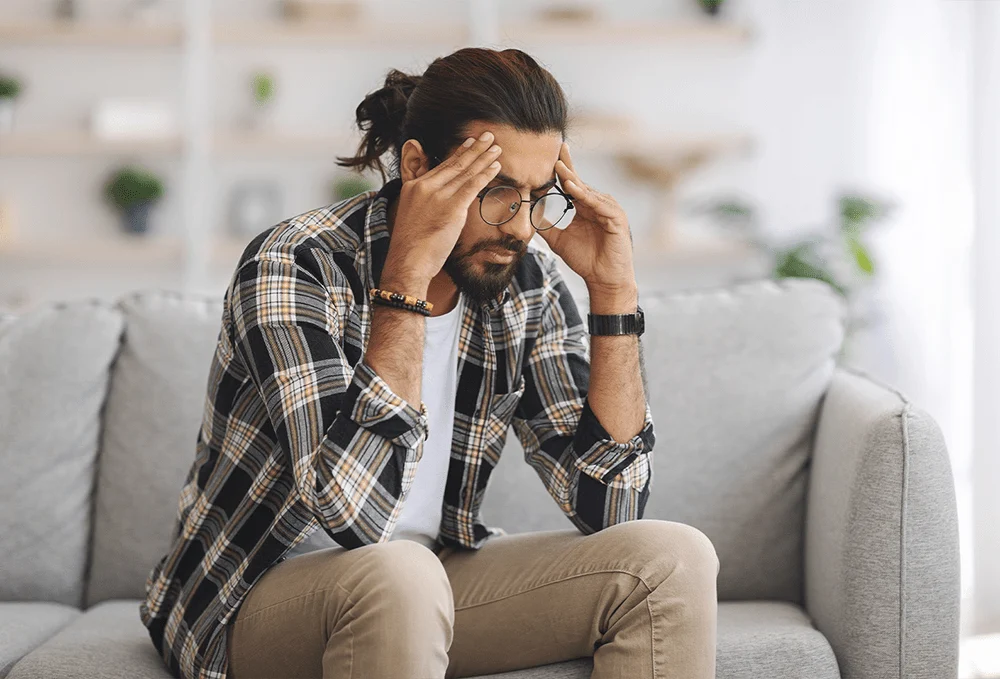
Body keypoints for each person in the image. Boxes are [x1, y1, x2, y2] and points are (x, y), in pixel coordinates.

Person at [140, 46, 719, 679]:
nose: (522, 228)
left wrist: (614, 297)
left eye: (538, 197)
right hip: (250, 598)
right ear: (417, 166)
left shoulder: (526, 282)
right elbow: (353, 517)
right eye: (498, 194)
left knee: (672, 557)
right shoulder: (294, 264)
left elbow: (613, 511)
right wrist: (406, 281)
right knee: (399, 571)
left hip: (428, 580)